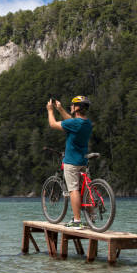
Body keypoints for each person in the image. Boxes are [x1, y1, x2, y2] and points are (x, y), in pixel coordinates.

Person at [46, 95, 93, 229]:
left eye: (72, 105)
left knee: (73, 190)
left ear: (77, 108)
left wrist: (50, 110)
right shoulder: (86, 123)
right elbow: (71, 121)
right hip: (83, 160)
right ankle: (91, 217)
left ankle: (77, 220)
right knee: (85, 189)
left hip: (72, 161)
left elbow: (53, 124)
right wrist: (60, 109)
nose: (71, 107)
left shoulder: (74, 123)